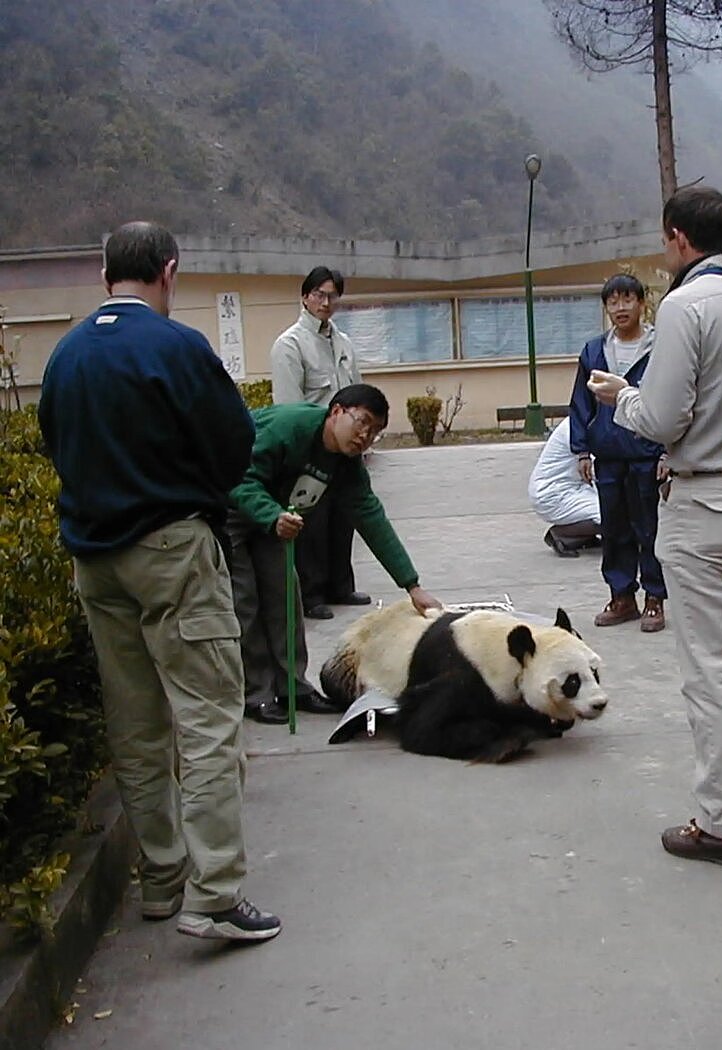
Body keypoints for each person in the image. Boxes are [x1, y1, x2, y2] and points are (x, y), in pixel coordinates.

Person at [38, 221, 282, 942]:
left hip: (95, 557)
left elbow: (55, 440)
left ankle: (162, 882)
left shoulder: (65, 355)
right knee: (207, 719)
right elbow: (235, 440)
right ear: (169, 272)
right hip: (172, 548)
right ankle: (214, 893)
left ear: (104, 272)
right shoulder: (177, 347)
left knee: (137, 726)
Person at [587, 186, 722, 868]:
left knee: (712, 669)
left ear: (677, 237)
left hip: (705, 503)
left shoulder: (685, 306)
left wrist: (623, 396)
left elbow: (665, 418)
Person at [228, 383, 441, 725]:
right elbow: (239, 478)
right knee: (246, 603)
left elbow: (370, 517)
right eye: (362, 422)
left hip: (276, 517)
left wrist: (411, 585)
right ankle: (257, 694)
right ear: (337, 411)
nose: (365, 437)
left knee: (285, 595)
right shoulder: (289, 428)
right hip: (232, 510)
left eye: (374, 432)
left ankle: (294, 688)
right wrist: (271, 515)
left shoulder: (346, 464)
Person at [569, 274, 668, 632]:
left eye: (628, 300)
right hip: (609, 454)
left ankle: (655, 598)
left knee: (649, 529)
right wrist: (581, 451)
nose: (620, 308)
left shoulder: (662, 347)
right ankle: (621, 596)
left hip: (646, 451)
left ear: (642, 303)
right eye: (613, 302)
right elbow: (580, 404)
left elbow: (674, 401)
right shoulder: (594, 351)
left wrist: (667, 452)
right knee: (614, 529)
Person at [271, 266, 369, 619]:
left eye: (332, 296)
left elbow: (357, 390)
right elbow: (288, 405)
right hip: (312, 448)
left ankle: (340, 586)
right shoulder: (290, 344)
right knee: (311, 522)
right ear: (305, 296)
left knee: (344, 516)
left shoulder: (342, 342)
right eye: (319, 294)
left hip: (345, 446)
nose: (326, 302)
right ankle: (311, 595)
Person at [527, 417, 601, 557]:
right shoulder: (576, 428)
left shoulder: (586, 421)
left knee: (618, 512)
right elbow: (597, 470)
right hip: (552, 493)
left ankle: (583, 536)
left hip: (574, 487)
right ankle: (560, 533)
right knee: (612, 514)